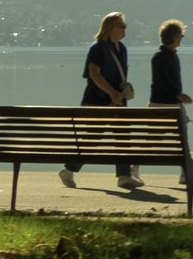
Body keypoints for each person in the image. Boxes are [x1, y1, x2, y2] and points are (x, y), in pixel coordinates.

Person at [60, 11, 140, 190]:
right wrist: (111, 93)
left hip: (118, 100)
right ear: (111, 28)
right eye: (122, 26)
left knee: (123, 135)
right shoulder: (97, 48)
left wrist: (121, 92)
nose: (125, 29)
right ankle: (68, 169)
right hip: (97, 99)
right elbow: (94, 74)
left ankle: (124, 176)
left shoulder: (122, 49)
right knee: (94, 136)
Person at [149, 19, 193, 188]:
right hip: (169, 103)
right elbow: (164, 83)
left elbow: (162, 83)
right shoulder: (163, 57)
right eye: (181, 36)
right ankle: (185, 174)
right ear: (174, 37)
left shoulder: (163, 56)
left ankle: (135, 168)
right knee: (182, 139)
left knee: (153, 140)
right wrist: (179, 95)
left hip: (158, 103)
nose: (182, 39)